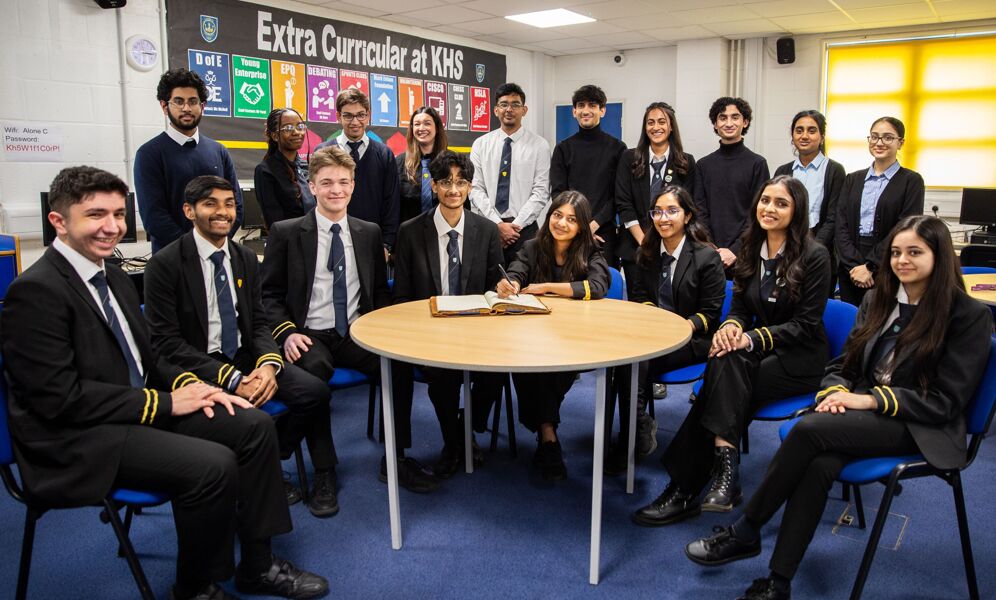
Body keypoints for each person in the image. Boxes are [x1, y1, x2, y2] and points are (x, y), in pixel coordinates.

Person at [2, 166, 326, 600]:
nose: (112, 226)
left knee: (254, 427)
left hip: (137, 408)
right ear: (58, 221)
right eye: (96, 215)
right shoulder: (36, 291)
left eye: (119, 214)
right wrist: (168, 403)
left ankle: (257, 565)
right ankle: (194, 588)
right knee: (212, 466)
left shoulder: (111, 274)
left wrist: (196, 387)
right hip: (83, 436)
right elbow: (60, 400)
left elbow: (148, 354)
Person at [684, 215, 992, 600]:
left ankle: (746, 530)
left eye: (915, 252)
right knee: (820, 463)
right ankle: (778, 582)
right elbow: (841, 365)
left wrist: (865, 399)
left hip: (921, 425)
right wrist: (832, 394)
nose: (901, 261)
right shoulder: (879, 299)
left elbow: (945, 402)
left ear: (940, 256)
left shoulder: (968, 316)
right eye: (895, 252)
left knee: (808, 431)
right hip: (863, 413)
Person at [632, 175, 831, 526]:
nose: (769, 209)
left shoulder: (815, 256)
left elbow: (806, 325)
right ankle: (723, 473)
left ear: (797, 210)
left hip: (801, 358)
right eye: (765, 201)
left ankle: (685, 488)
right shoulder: (752, 247)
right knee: (726, 363)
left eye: (781, 203)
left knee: (721, 384)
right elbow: (739, 306)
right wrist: (731, 327)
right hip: (754, 351)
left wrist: (749, 338)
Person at [144, 175, 339, 518]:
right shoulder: (164, 264)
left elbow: (259, 323)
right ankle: (252, 469)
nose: (223, 212)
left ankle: (270, 456)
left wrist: (267, 366)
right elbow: (166, 344)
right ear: (189, 211)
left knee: (316, 392)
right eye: (211, 204)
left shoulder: (245, 258)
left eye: (230, 204)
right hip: (197, 368)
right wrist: (233, 379)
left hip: (246, 357)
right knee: (247, 421)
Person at [261, 145, 439, 494]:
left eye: (343, 182)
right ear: (312, 186)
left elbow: (377, 291)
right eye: (326, 182)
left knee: (398, 365)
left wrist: (391, 328)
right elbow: (268, 296)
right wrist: (286, 334)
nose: (336, 190)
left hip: (357, 333)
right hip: (309, 334)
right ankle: (325, 470)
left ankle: (396, 458)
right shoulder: (286, 232)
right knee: (315, 375)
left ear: (354, 185)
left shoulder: (368, 232)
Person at [391, 150, 506, 477]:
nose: (453, 190)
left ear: (470, 187)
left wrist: (502, 288)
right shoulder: (411, 232)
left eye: (461, 182)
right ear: (435, 185)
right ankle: (455, 443)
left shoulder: (485, 230)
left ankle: (463, 426)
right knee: (443, 378)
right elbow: (401, 296)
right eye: (445, 182)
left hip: (477, 330)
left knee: (498, 371)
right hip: (431, 331)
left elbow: (494, 282)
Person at [606, 185, 726, 473]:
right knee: (628, 358)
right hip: (651, 336)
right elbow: (639, 298)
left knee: (636, 360)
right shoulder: (646, 253)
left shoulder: (706, 257)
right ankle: (638, 427)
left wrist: (678, 327)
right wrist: (652, 320)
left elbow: (710, 314)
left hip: (693, 338)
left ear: (687, 216)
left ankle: (629, 441)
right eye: (657, 212)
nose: (663, 218)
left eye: (672, 211)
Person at [495, 191, 610, 480]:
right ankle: (548, 435)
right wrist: (510, 284)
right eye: (557, 215)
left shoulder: (591, 251)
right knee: (526, 361)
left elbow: (596, 287)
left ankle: (546, 432)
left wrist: (546, 287)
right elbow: (517, 271)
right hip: (532, 337)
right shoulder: (533, 246)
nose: (561, 223)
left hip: (575, 340)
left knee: (545, 368)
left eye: (571, 219)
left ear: (582, 225)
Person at [134, 68, 243, 253]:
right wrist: (196, 250)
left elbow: (237, 206)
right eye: (178, 101)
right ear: (164, 106)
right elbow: (154, 217)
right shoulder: (149, 154)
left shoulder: (219, 151)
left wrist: (217, 244)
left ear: (202, 106)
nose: (186, 108)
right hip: (173, 260)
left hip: (218, 255)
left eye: (193, 101)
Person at [836, 116, 925, 306]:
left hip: (888, 265)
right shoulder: (852, 179)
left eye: (887, 137)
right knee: (851, 327)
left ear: (900, 142)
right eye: (874, 137)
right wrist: (854, 266)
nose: (879, 142)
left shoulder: (912, 181)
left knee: (881, 325)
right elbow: (841, 224)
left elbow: (905, 228)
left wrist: (870, 267)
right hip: (850, 268)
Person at [616, 101, 696, 296]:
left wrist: (664, 242)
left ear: (671, 126)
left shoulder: (685, 162)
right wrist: (645, 241)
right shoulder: (629, 158)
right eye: (650, 122)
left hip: (672, 247)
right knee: (639, 304)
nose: (656, 127)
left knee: (669, 302)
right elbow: (623, 203)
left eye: (662, 121)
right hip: (635, 247)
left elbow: (687, 207)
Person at [470, 82, 551, 266]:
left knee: (525, 286)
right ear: (495, 110)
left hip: (525, 231)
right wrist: (497, 224)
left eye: (515, 104)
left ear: (524, 110)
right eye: (504, 104)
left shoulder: (539, 146)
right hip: (488, 229)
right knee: (487, 287)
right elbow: (475, 189)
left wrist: (515, 227)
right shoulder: (481, 145)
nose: (509, 109)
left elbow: (541, 192)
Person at [315, 88, 401, 253]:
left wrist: (386, 244)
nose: (355, 122)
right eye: (348, 115)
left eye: (360, 115)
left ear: (368, 115)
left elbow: (391, 203)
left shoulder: (384, 154)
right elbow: (316, 200)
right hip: (331, 240)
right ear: (338, 116)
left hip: (373, 244)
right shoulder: (323, 151)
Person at [550, 84, 627, 266]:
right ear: (574, 111)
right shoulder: (563, 149)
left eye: (592, 105)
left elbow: (618, 196)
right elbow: (558, 193)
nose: (586, 110)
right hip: (570, 230)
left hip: (603, 233)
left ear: (602, 111)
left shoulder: (618, 149)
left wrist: (593, 225)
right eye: (581, 105)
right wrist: (577, 225)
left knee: (604, 288)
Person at [694, 97, 770, 272]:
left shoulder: (757, 164)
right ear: (715, 124)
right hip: (708, 254)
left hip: (745, 253)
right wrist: (710, 247)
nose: (729, 123)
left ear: (745, 122)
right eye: (722, 118)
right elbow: (699, 210)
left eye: (735, 117)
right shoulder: (703, 165)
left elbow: (758, 213)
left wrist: (735, 250)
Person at [773, 110, 845, 296]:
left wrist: (812, 251)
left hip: (820, 249)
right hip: (786, 250)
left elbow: (833, 217)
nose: (804, 136)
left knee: (814, 309)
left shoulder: (834, 170)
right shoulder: (783, 170)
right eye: (799, 130)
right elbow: (775, 213)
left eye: (812, 131)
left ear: (821, 137)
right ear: (793, 135)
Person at [254, 108, 316, 229]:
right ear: (275, 136)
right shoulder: (265, 171)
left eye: (300, 126)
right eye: (288, 128)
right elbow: (274, 221)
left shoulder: (307, 167)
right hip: (289, 242)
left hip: (316, 239)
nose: (297, 132)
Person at [397, 106, 448, 224]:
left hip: (444, 232)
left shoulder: (451, 162)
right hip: (410, 234)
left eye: (427, 123)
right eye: (417, 124)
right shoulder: (399, 163)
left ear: (437, 128)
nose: (421, 128)